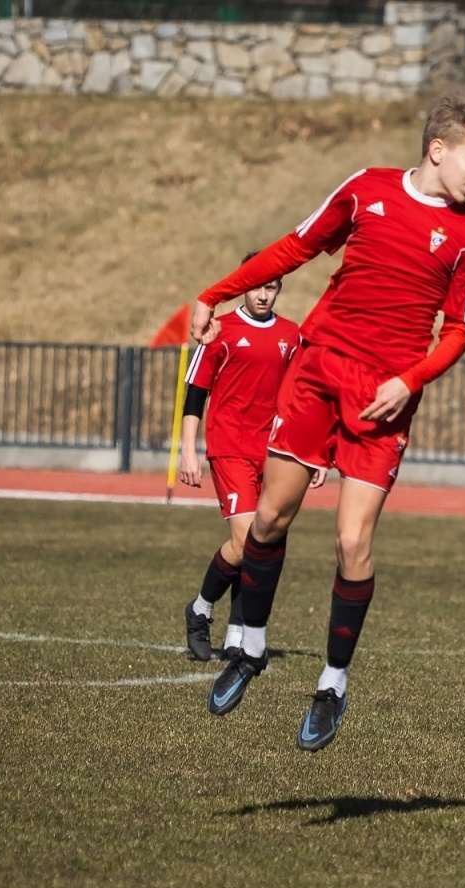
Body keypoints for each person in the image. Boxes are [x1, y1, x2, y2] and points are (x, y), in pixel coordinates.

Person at [188, 91, 465, 752]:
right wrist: (215, 293)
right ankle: (251, 646)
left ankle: (332, 684)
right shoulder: (365, 189)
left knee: (352, 543)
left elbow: (459, 332)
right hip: (319, 369)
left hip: (383, 397)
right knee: (270, 520)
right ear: (437, 149)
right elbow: (295, 248)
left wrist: (409, 379)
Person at [178, 259, 310, 662]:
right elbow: (196, 392)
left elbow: (300, 399)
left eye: (271, 287)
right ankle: (200, 609)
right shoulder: (219, 330)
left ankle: (237, 634)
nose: (263, 294)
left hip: (271, 453)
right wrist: (188, 449)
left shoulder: (292, 335)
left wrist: (313, 454)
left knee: (262, 539)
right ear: (243, 287)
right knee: (245, 539)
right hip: (229, 446)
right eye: (256, 286)